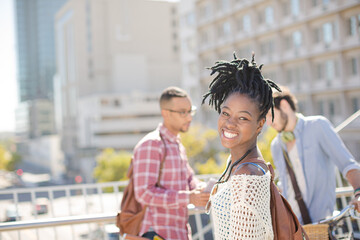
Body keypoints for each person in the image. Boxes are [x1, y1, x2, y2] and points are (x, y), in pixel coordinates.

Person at [202, 54, 282, 239]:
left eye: (243, 118)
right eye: (225, 113)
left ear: (260, 125)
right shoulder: (239, 162)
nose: (230, 123)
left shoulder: (246, 178)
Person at [266, 86, 360, 224]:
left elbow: (347, 164)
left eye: (269, 115)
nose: (268, 123)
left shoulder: (317, 126)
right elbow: (286, 185)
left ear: (284, 105)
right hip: (292, 227)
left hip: (321, 224)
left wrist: (358, 192)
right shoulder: (276, 145)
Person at [132, 86, 210, 240]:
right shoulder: (152, 144)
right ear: (165, 113)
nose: (189, 117)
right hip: (156, 233)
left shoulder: (176, 144)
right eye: (183, 112)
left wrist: (201, 189)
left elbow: (189, 179)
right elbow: (143, 193)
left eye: (190, 111)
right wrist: (188, 198)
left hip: (179, 233)